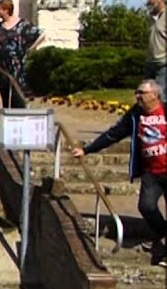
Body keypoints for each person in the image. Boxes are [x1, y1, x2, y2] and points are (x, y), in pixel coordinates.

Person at [72, 79, 167, 267]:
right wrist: (88, 149)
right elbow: (113, 134)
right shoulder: (135, 114)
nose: (137, 96)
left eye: (141, 93)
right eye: (137, 92)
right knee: (147, 206)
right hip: (151, 172)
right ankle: (163, 234)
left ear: (154, 95)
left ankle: (162, 252)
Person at [0, 0, 45, 108]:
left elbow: (41, 35)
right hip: (1, 69)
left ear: (6, 10)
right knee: (6, 99)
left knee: (18, 99)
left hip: (18, 69)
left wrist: (30, 48)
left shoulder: (23, 26)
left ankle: (19, 122)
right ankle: (8, 122)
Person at [146, 0, 166, 91]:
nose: (148, 1)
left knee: (160, 95)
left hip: (163, 63)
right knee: (146, 93)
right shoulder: (151, 17)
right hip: (150, 62)